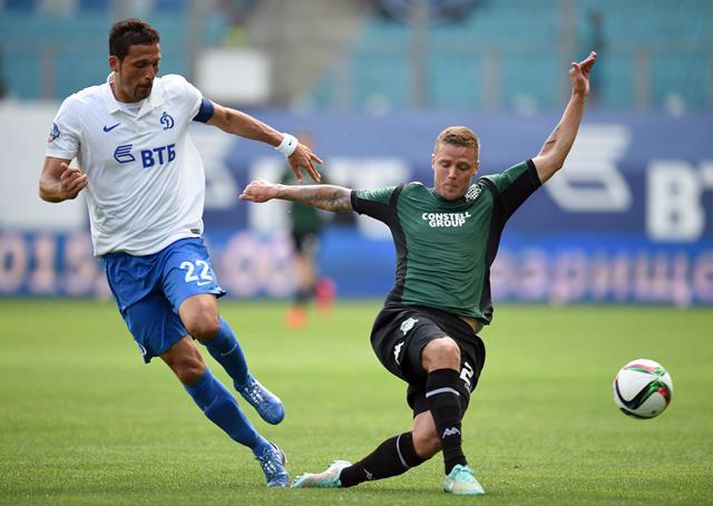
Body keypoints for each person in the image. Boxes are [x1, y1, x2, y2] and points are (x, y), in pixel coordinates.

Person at [240, 51, 597, 495]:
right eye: (445, 164)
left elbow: (553, 155)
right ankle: (459, 469)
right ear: (432, 161)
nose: (452, 174)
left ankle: (341, 476)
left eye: (462, 167)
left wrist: (578, 96)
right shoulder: (406, 199)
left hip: (465, 334)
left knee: (427, 437)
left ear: (475, 169)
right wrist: (277, 190)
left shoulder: (492, 198)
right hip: (405, 319)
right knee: (442, 351)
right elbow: (338, 197)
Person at [39, 18, 322, 488]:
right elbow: (47, 180)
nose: (150, 74)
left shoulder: (175, 93)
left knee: (203, 322)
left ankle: (246, 379)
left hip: (176, 237)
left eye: (155, 63)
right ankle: (263, 450)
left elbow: (227, 116)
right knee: (188, 365)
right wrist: (61, 190)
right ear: (114, 64)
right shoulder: (80, 111)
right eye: (140, 65)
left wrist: (285, 143)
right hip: (123, 259)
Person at [279, 132, 334, 329]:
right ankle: (322, 288)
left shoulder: (318, 170)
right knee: (302, 265)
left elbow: (333, 195)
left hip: (312, 225)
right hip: (295, 226)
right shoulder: (287, 172)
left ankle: (298, 309)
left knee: (305, 266)